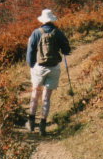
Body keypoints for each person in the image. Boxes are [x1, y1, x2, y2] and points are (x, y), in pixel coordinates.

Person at [25, 8, 71, 136]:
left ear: (43, 20)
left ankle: (31, 123)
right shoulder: (58, 32)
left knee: (35, 94)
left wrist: (32, 65)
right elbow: (67, 49)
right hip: (54, 67)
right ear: (52, 20)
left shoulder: (36, 33)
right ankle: (42, 126)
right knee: (46, 97)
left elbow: (30, 52)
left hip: (39, 68)